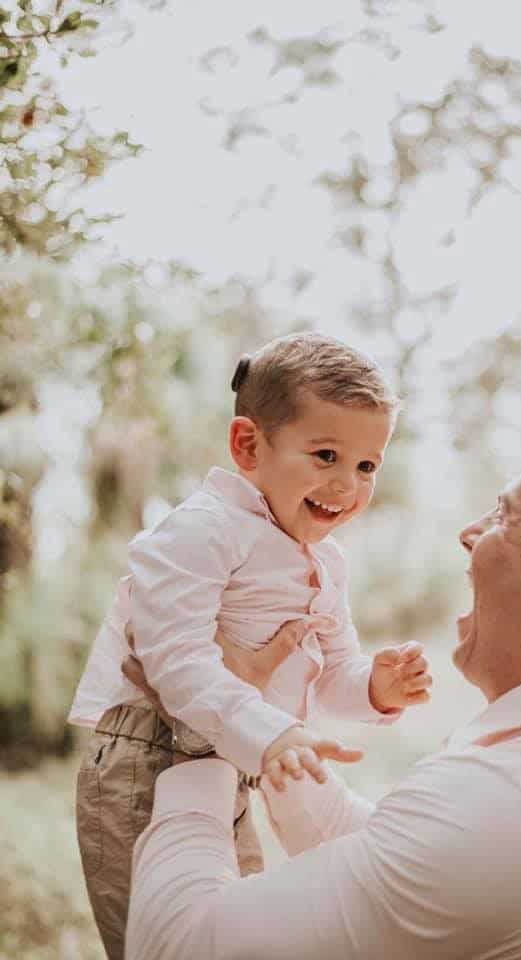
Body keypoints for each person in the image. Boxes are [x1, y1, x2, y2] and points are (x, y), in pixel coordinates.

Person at [126, 437, 521, 959]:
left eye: (503, 516)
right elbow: (393, 857)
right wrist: (267, 727)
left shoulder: (508, 804)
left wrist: (206, 729)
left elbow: (175, 945)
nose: (468, 533)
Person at [68, 332, 432, 960]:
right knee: (160, 939)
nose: (346, 485)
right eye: (325, 455)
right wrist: (268, 733)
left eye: (367, 466)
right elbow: (176, 662)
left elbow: (333, 668)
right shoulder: (204, 530)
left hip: (239, 761)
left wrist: (374, 684)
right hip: (145, 757)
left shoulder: (327, 561)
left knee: (232, 931)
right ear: (248, 445)